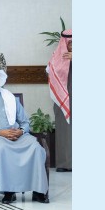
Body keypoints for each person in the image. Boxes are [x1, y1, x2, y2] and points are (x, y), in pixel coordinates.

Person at [0, 68, 49, 203]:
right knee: (2, 150)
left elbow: (25, 121)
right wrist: (0, 132)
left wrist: (21, 131)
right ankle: (9, 191)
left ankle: (38, 191)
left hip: (18, 135)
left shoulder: (9, 97)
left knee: (36, 148)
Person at [47, 29, 72, 171]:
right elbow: (49, 72)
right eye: (69, 43)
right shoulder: (56, 55)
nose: (71, 46)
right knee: (64, 130)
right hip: (62, 99)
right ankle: (64, 164)